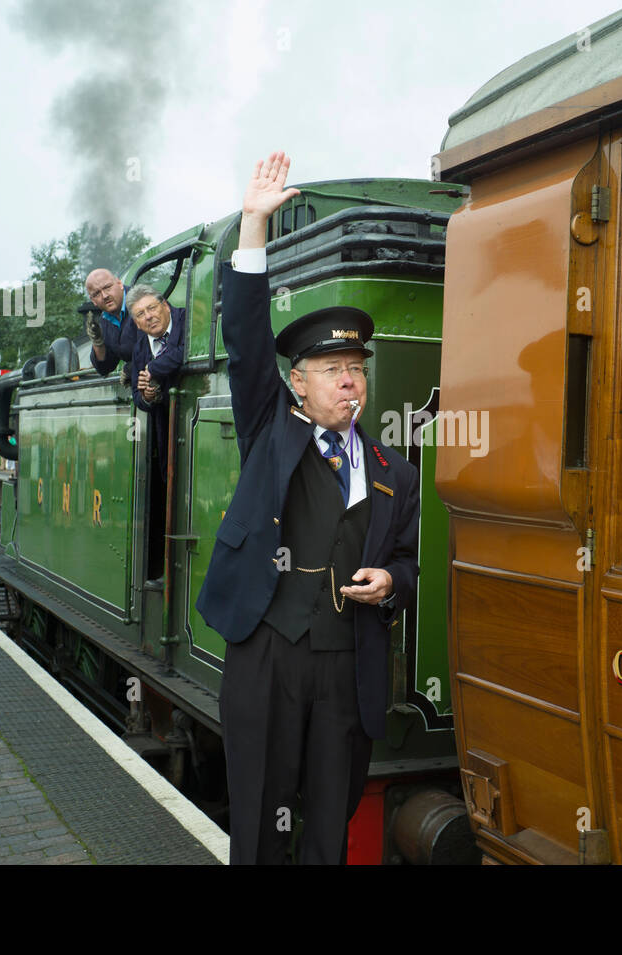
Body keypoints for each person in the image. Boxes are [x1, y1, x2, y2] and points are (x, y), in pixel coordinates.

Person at [195, 152, 419, 865]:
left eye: (358, 369)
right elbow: (245, 335)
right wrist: (253, 224)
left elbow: (410, 564)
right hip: (269, 650)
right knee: (262, 815)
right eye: (333, 371)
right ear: (299, 383)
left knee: (330, 818)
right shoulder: (271, 426)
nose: (350, 382)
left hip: (348, 662)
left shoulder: (396, 471)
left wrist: (392, 584)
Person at [125, 284, 186, 585]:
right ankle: (169, 571)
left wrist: (154, 371)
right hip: (167, 429)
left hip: (194, 423)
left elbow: (182, 353)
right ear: (135, 323)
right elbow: (138, 398)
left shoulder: (189, 320)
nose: (148, 317)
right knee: (169, 492)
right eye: (140, 315)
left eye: (151, 308)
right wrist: (149, 396)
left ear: (164, 304)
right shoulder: (139, 348)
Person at [84, 270, 138, 385]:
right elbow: (106, 368)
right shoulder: (105, 320)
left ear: (119, 284)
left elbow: (164, 344)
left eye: (107, 287)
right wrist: (98, 343)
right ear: (93, 300)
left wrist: (135, 367)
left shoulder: (142, 302)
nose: (105, 296)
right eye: (97, 294)